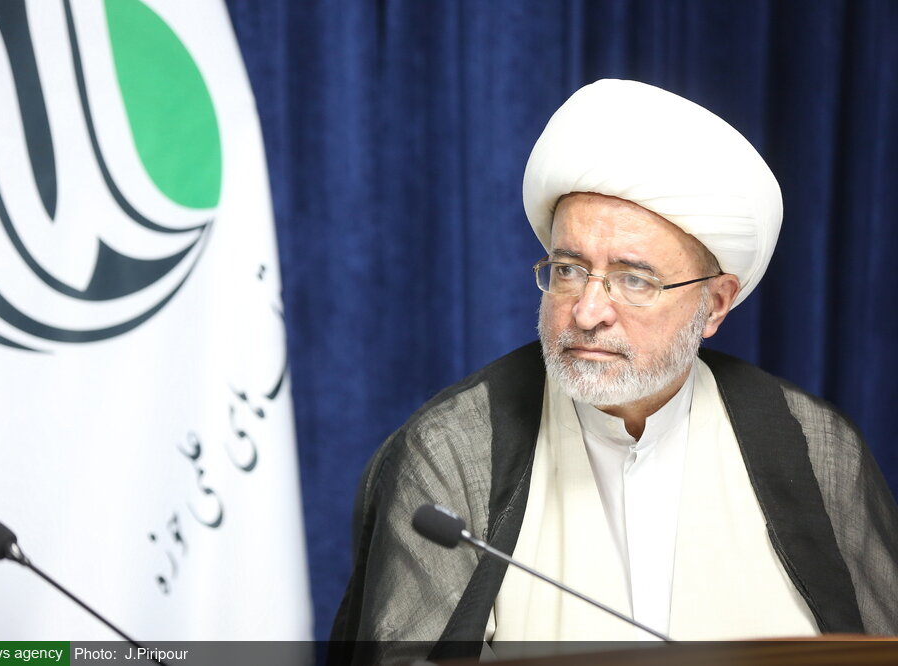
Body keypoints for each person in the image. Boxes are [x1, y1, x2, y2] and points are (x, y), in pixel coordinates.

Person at [328, 80, 898, 664]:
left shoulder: (813, 447)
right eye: (569, 270)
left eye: (634, 279)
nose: (587, 312)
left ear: (715, 304)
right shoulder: (453, 452)